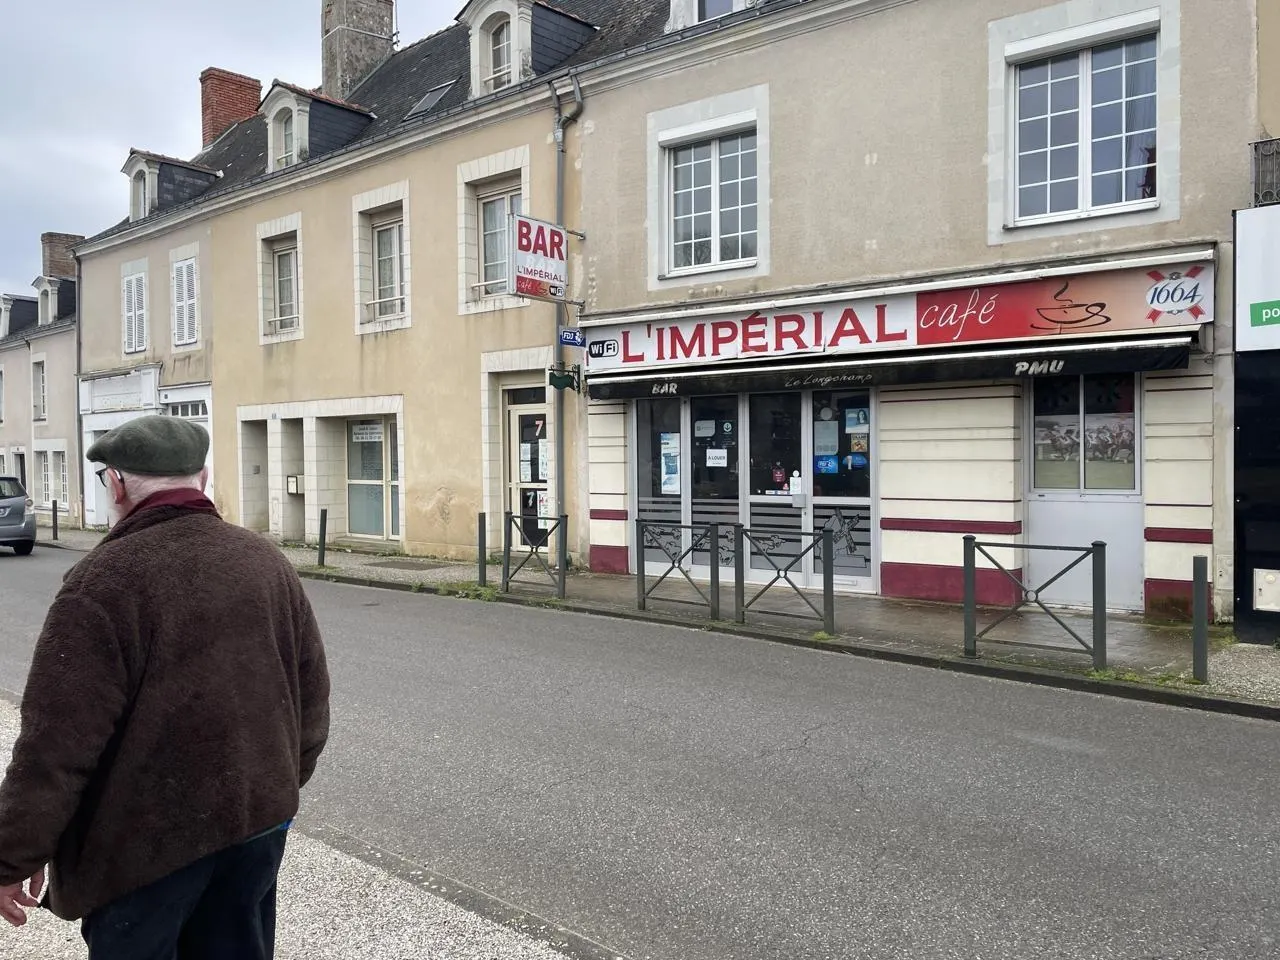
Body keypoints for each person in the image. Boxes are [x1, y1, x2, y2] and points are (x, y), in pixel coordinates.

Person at [0, 415, 330, 959]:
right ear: (201, 478)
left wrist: (14, 856)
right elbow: (311, 704)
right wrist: (270, 794)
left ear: (116, 484)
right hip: (255, 830)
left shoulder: (103, 582)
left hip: (141, 850)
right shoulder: (265, 562)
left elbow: (55, 746)